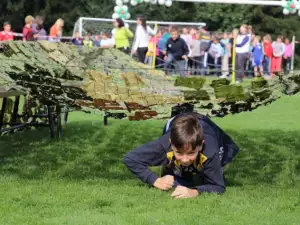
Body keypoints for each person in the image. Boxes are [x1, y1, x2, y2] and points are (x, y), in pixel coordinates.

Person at [123, 112, 240, 198]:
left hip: (206, 126)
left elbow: (218, 186)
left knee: (207, 175)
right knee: (179, 177)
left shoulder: (210, 149)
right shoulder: (163, 145)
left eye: (191, 153)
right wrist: (155, 180)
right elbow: (130, 158)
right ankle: (170, 169)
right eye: (179, 152)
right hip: (176, 120)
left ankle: (196, 167)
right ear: (171, 143)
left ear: (200, 146)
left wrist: (194, 192)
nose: (184, 159)